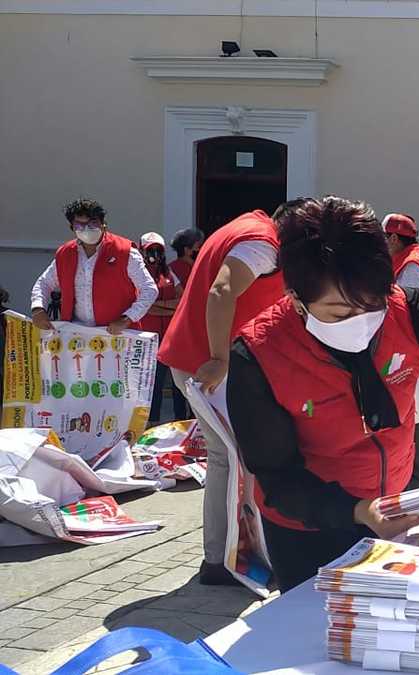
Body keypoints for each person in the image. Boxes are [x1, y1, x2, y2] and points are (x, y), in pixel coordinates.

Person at [226, 196, 419, 591]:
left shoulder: (411, 312)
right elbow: (277, 476)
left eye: (372, 305)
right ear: (296, 298)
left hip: (394, 507)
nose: (360, 322)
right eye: (337, 312)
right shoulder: (259, 354)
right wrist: (359, 510)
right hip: (309, 526)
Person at [158, 208, 285, 585]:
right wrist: (219, 358)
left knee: (228, 461)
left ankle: (225, 556)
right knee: (237, 463)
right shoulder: (264, 244)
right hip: (211, 367)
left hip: (196, 360)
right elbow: (222, 290)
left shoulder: (243, 226)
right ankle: (227, 559)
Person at [30, 198, 158, 335]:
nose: (86, 229)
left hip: (117, 335)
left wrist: (127, 318)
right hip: (75, 336)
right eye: (79, 225)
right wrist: (38, 309)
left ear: (104, 224)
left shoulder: (125, 252)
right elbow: (44, 283)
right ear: (72, 227)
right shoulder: (64, 254)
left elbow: (149, 289)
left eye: (93, 223)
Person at [382, 213, 419, 489]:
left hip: (408, 351)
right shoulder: (408, 260)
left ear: (393, 238)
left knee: (414, 413)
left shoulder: (412, 266)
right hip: (407, 350)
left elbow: (408, 313)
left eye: (383, 238)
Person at [135, 232, 189, 423]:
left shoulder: (168, 273)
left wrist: (157, 305)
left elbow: (182, 300)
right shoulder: (138, 273)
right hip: (150, 337)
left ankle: (181, 420)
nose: (155, 254)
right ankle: (152, 421)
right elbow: (142, 304)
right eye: (151, 250)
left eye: (158, 250)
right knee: (153, 382)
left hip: (171, 336)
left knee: (178, 382)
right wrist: (167, 307)